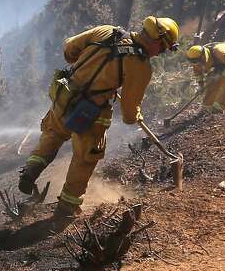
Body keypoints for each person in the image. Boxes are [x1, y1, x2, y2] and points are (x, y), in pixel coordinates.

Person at [18, 16, 180, 220]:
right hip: (90, 112)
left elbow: (69, 48)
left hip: (64, 95)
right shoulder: (140, 65)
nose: (160, 54)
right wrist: (135, 114)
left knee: (53, 134)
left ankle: (32, 168)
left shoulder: (108, 31)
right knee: (85, 159)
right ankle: (66, 210)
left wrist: (89, 66)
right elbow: (129, 113)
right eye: (164, 49)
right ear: (158, 42)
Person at [185, 40, 225, 113]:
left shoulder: (220, 53)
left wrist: (223, 76)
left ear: (203, 56)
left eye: (198, 62)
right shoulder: (196, 60)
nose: (197, 64)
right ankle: (206, 107)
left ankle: (218, 108)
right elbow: (198, 73)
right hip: (222, 64)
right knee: (212, 81)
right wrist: (200, 85)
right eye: (194, 62)